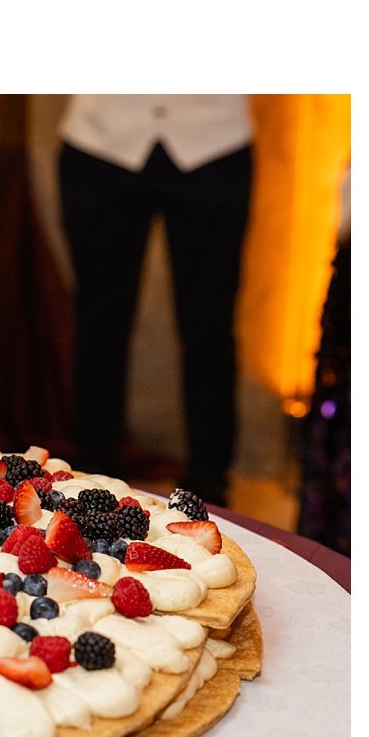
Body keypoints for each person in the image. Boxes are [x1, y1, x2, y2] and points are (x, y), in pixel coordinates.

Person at [57, 95, 254, 505]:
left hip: (215, 142)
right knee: (99, 323)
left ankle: (211, 490)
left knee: (209, 329)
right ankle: (94, 484)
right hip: (100, 140)